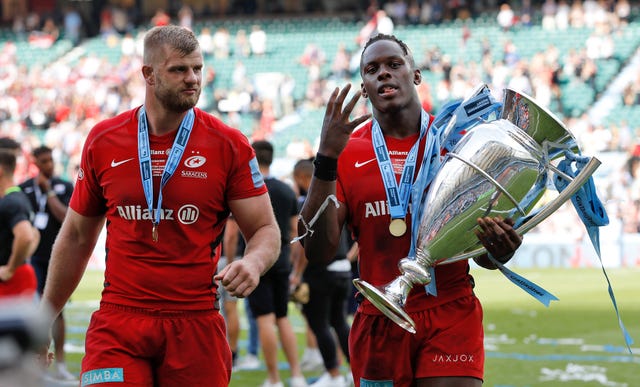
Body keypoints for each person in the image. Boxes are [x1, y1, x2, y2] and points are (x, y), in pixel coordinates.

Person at [38, 25, 281, 386]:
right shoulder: (104, 140)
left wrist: (254, 262)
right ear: (148, 75)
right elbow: (75, 237)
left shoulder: (228, 144)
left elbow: (265, 229)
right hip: (120, 321)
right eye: (179, 70)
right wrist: (43, 320)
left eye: (197, 69)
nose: (193, 79)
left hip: (195, 321)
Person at [298, 34, 523, 387]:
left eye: (393, 64)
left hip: (450, 309)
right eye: (372, 70)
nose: (383, 74)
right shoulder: (346, 152)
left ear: (415, 75)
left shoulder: (456, 142)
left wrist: (500, 249)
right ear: (364, 87)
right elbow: (319, 251)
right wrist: (325, 159)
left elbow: (482, 254)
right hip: (379, 313)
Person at [247, 140, 307, 387]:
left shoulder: (248, 186)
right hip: (281, 259)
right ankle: (296, 375)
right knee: (282, 317)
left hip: (256, 260)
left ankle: (273, 379)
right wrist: (295, 268)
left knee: (264, 318)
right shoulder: (285, 189)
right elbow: (296, 233)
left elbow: (231, 232)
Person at [293, 158, 353, 387]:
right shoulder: (338, 199)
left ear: (303, 177)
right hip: (343, 270)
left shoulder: (311, 200)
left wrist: (297, 274)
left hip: (322, 271)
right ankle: (353, 370)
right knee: (339, 322)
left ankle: (334, 373)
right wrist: (348, 259)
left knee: (319, 323)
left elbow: (302, 245)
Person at [19, 145, 75, 381]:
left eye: (51, 160)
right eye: (43, 161)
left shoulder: (64, 186)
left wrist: (49, 192)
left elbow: (65, 218)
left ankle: (59, 362)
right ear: (34, 163)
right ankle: (32, 365)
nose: (49, 165)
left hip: (57, 257)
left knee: (56, 310)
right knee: (30, 311)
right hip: (32, 258)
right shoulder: (23, 190)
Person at [0, 146, 39, 299]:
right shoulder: (20, 198)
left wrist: (11, 267)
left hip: (10, 283)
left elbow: (26, 236)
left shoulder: (11, 202)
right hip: (20, 275)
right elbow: (35, 235)